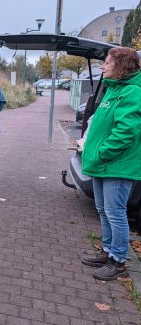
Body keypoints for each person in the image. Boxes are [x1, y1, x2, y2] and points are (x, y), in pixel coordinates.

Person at [80, 47, 141, 281]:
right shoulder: (114, 90)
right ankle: (107, 251)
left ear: (122, 66)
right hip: (103, 163)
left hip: (116, 165)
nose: (102, 67)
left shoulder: (132, 92)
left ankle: (118, 260)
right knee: (103, 210)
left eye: (106, 63)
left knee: (115, 213)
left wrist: (103, 153)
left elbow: (126, 132)